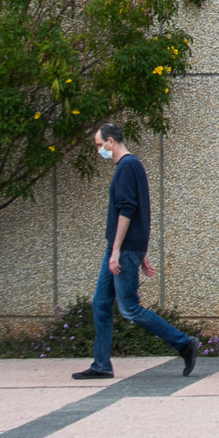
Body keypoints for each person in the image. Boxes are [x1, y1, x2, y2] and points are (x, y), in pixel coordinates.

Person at [71, 123, 198, 379]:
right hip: (123, 248)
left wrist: (120, 250)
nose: (99, 150)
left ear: (110, 141)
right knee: (100, 303)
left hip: (121, 249)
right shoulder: (131, 166)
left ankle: (184, 343)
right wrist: (141, 251)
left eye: (99, 145)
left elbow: (128, 210)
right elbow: (141, 213)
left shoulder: (128, 166)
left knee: (129, 308)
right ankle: (101, 365)